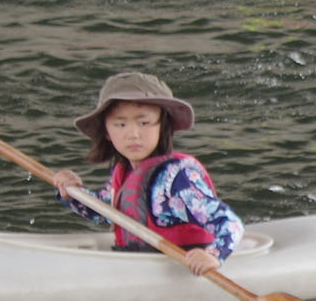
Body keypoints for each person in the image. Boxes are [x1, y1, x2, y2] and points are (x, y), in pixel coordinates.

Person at [49, 72, 250, 276]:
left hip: (183, 270)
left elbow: (230, 222)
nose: (133, 134)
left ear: (163, 126)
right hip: (139, 262)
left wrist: (213, 256)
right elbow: (105, 213)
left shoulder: (177, 178)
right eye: (120, 124)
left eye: (144, 123)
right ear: (107, 133)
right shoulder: (124, 172)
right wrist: (72, 193)